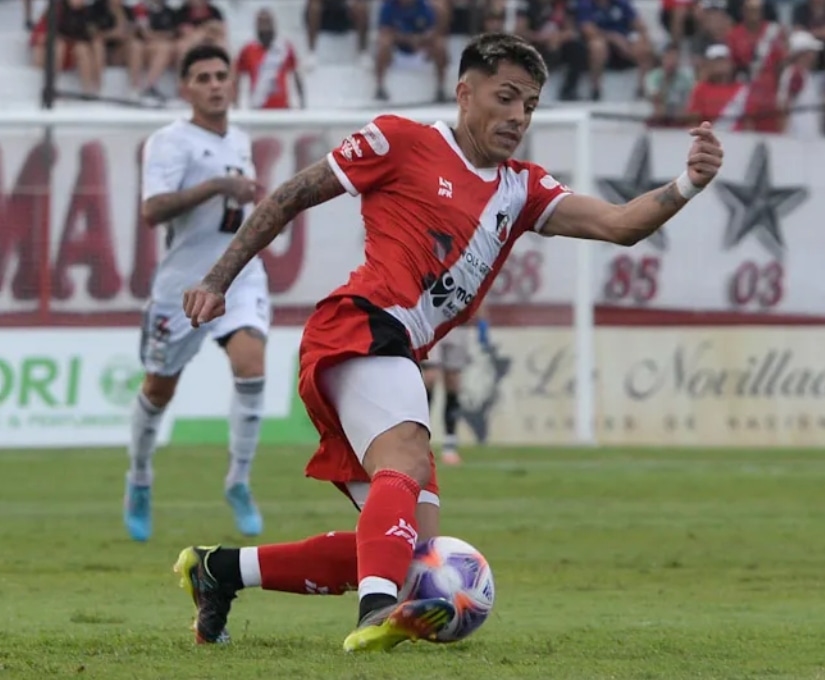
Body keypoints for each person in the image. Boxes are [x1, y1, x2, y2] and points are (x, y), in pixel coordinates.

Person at [174, 32, 723, 652]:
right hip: (361, 324)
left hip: (396, 350)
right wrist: (219, 279)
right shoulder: (402, 141)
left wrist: (687, 184)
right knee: (405, 463)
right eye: (506, 97)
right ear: (465, 92)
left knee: (411, 553)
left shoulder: (522, 189)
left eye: (531, 105)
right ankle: (375, 613)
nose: (518, 116)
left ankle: (219, 571)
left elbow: (620, 225)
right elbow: (291, 194)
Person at [125, 44, 271, 543]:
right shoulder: (169, 142)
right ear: (185, 88)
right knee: (158, 388)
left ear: (232, 84)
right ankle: (140, 477)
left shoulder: (241, 139)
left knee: (251, 362)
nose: (214, 85)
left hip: (238, 273)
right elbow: (153, 210)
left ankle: (239, 481)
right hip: (182, 284)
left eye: (221, 76)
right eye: (203, 77)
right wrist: (215, 188)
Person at [421, 306, 490, 465]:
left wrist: (483, 321)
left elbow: (479, 287)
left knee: (453, 383)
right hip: (432, 322)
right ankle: (421, 440)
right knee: (430, 377)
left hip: (458, 324)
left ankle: (450, 445)